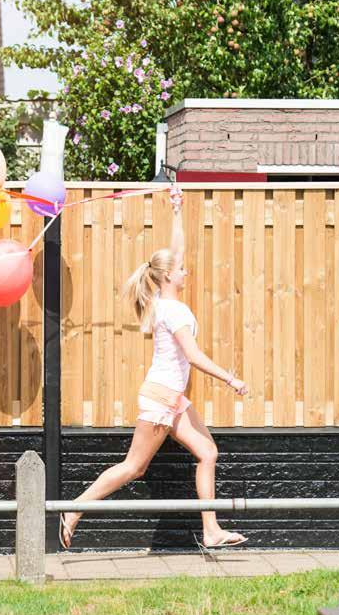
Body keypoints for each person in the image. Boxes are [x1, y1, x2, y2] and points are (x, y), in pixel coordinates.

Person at [59, 186, 249, 551]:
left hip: (172, 397)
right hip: (162, 396)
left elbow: (175, 250)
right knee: (134, 468)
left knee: (207, 453)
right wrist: (231, 378)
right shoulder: (173, 311)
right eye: (181, 270)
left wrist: (176, 208)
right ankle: (72, 511)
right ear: (167, 277)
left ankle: (211, 531)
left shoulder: (164, 301)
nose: (186, 270)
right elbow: (193, 356)